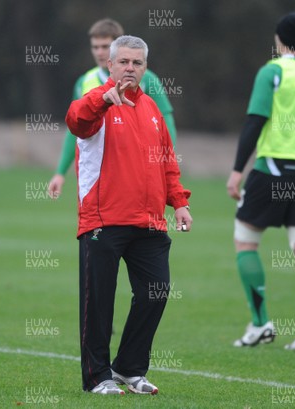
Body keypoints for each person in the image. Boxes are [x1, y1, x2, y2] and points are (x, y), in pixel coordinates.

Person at [65, 35, 192, 394]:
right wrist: (102, 99)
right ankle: (97, 378)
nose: (130, 68)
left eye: (137, 63)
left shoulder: (151, 109)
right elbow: (76, 120)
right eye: (123, 62)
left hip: (149, 223)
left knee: (156, 293)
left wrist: (179, 202)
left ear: (145, 68)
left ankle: (128, 369)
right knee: (99, 304)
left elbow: (168, 161)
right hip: (103, 221)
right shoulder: (97, 104)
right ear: (111, 64)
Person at [226, 12, 295, 350]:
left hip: (273, 170)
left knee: (245, 240)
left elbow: (254, 122)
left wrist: (236, 171)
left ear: (280, 41)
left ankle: (260, 323)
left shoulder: (273, 71)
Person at [49, 18, 177, 198]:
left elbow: (166, 126)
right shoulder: (84, 82)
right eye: (95, 47)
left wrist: (165, 168)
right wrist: (60, 172)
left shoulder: (147, 80)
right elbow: (74, 130)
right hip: (95, 174)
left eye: (105, 46)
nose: (100, 52)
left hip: (133, 173)